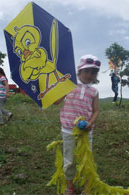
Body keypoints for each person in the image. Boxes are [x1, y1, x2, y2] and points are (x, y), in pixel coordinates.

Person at [54, 54, 100, 195]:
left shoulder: (94, 91)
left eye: (93, 72)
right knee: (69, 160)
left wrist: (90, 123)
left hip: (85, 132)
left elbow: (96, 111)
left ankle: (87, 188)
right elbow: (56, 102)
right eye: (86, 71)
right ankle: (70, 187)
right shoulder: (69, 85)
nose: (89, 75)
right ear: (79, 71)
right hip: (68, 130)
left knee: (86, 161)